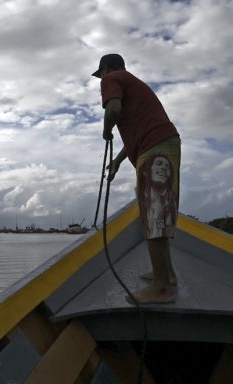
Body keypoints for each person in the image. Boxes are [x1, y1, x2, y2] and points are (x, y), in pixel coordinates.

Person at [91, 53, 181, 304]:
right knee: (158, 211)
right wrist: (118, 161)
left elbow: (113, 108)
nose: (102, 79)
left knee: (153, 213)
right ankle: (167, 275)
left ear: (106, 69)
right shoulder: (132, 82)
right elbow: (135, 133)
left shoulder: (112, 79)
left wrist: (106, 129)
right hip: (159, 144)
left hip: (156, 147)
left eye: (102, 74)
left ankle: (162, 289)